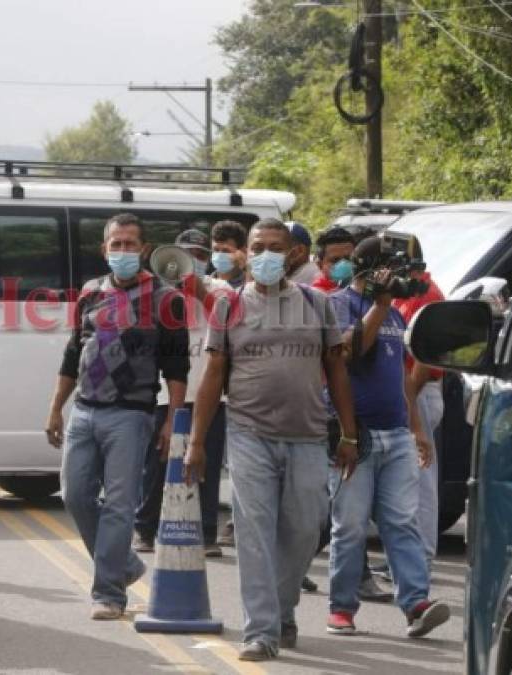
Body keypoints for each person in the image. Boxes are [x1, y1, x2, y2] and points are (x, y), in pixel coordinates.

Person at [185, 218, 358, 661]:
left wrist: (349, 434)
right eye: (257, 247)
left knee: (305, 530)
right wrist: (197, 442)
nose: (264, 255)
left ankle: (283, 610)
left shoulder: (317, 304)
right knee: (254, 533)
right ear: (245, 253)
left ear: (292, 255)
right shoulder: (227, 307)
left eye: (274, 248)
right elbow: (212, 376)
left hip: (307, 435)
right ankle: (261, 630)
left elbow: (337, 370)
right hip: (249, 434)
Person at [45, 213, 189, 621]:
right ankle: (123, 566)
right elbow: (74, 354)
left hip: (132, 415)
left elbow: (177, 370)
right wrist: (56, 406)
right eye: (116, 244)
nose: (123, 251)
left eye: (130, 244)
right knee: (75, 494)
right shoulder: (91, 294)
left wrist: (172, 423)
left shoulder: (166, 299)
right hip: (85, 411)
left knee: (120, 505)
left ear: (144, 250)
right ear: (104, 249)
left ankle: (109, 592)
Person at [326, 235, 449, 638]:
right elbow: (347, 352)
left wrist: (415, 427)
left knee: (402, 521)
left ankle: (416, 603)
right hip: (355, 436)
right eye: (391, 269)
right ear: (373, 269)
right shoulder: (340, 305)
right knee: (351, 525)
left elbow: (397, 375)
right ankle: (342, 607)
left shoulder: (396, 316)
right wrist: (379, 304)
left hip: (395, 434)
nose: (399, 278)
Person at [133, 229, 229, 558]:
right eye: (186, 255)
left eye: (200, 256)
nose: (193, 262)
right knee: (157, 463)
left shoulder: (220, 287)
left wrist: (198, 290)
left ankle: (206, 533)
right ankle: (145, 529)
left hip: (209, 392)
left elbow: (229, 316)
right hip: (165, 393)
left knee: (206, 465)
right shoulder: (157, 290)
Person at [392, 240, 445, 566]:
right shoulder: (403, 291)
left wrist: (407, 394)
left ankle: (422, 553)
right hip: (407, 390)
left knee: (422, 476)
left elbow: (427, 353)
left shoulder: (427, 295)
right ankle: (408, 552)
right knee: (408, 478)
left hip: (419, 389)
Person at [207, 220, 249, 549]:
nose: (220, 256)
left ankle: (237, 524)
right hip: (217, 385)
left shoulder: (247, 286)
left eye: (227, 250)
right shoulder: (210, 284)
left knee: (240, 464)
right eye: (216, 250)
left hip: (243, 386)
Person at [312, 228, 356, 293]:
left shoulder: (365, 291)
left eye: (348, 259)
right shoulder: (315, 297)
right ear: (320, 265)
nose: (343, 264)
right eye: (335, 260)